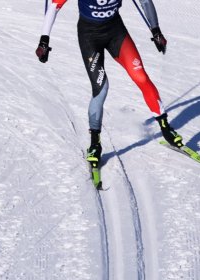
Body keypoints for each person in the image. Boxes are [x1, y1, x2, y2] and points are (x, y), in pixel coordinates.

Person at [34, 0, 184, 171]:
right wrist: (44, 40)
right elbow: (54, 5)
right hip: (89, 36)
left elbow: (145, 2)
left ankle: (165, 127)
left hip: (115, 32)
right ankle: (95, 143)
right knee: (101, 88)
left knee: (141, 77)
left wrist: (156, 30)